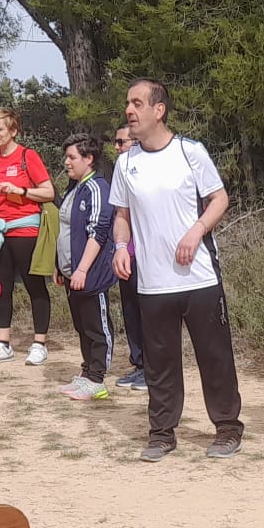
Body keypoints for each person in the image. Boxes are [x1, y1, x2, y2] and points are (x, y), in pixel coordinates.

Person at [109, 78, 244, 461]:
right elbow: (121, 215)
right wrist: (121, 246)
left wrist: (198, 230)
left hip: (199, 277)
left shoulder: (190, 152)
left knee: (214, 356)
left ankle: (228, 428)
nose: (129, 111)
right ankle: (162, 433)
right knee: (159, 361)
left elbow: (219, 198)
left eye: (137, 103)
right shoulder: (126, 162)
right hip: (152, 283)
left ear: (158, 109)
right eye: (127, 104)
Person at [0, 108, 55, 366]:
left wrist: (20, 190)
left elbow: (48, 192)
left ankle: (39, 343)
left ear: (13, 131)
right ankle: (2, 343)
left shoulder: (27, 156)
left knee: (35, 286)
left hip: (25, 230)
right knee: (1, 287)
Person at [55, 133, 116, 401]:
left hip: (90, 274)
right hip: (71, 273)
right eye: (66, 157)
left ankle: (98, 379)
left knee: (96, 326)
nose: (66, 162)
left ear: (89, 159)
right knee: (81, 326)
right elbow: (66, 229)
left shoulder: (97, 188)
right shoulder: (74, 187)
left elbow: (98, 233)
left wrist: (82, 269)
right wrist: (61, 266)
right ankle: (87, 372)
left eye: (72, 157)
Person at [110, 122, 147, 391]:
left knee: (147, 314)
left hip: (146, 256)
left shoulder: (146, 174)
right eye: (116, 142)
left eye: (121, 142)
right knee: (130, 312)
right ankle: (139, 364)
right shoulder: (120, 173)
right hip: (127, 254)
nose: (117, 147)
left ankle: (152, 369)